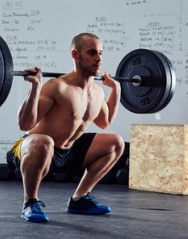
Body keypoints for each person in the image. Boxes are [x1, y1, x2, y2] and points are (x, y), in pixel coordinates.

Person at [11, 32, 125, 223]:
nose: (98, 59)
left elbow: (105, 122)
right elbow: (25, 124)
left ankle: (79, 199)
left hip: (68, 151)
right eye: (91, 53)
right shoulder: (58, 87)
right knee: (44, 141)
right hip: (35, 148)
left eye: (100, 53)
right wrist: (35, 88)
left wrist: (117, 90)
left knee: (116, 143)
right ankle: (30, 203)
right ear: (75, 55)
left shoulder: (97, 92)